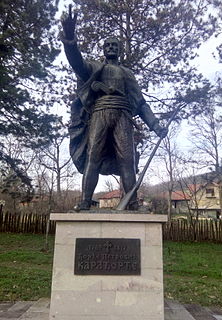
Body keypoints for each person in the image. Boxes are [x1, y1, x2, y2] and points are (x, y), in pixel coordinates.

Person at [61, 5, 167, 210]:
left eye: (114, 45)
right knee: (93, 157)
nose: (111, 47)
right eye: (107, 45)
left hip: (123, 116)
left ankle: (132, 203)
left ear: (119, 49)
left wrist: (155, 125)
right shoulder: (95, 68)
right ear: (103, 49)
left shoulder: (127, 74)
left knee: (128, 160)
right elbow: (77, 63)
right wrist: (70, 40)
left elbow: (141, 103)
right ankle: (85, 201)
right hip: (100, 114)